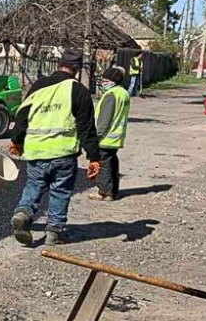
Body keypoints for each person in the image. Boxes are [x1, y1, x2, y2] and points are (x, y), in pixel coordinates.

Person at [8, 48, 101, 247]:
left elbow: (22, 116)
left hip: (36, 152)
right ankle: (54, 233)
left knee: (34, 186)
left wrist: (16, 141)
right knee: (60, 191)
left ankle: (23, 214)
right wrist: (94, 157)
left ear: (59, 64)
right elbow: (87, 128)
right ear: (77, 69)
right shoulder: (79, 91)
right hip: (64, 154)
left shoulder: (38, 86)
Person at [91, 66, 130, 201]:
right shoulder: (123, 93)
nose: (102, 82)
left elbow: (105, 119)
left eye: (105, 79)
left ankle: (105, 192)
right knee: (112, 163)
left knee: (104, 165)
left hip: (106, 137)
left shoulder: (111, 95)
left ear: (112, 80)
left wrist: (96, 135)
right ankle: (113, 190)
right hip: (116, 137)